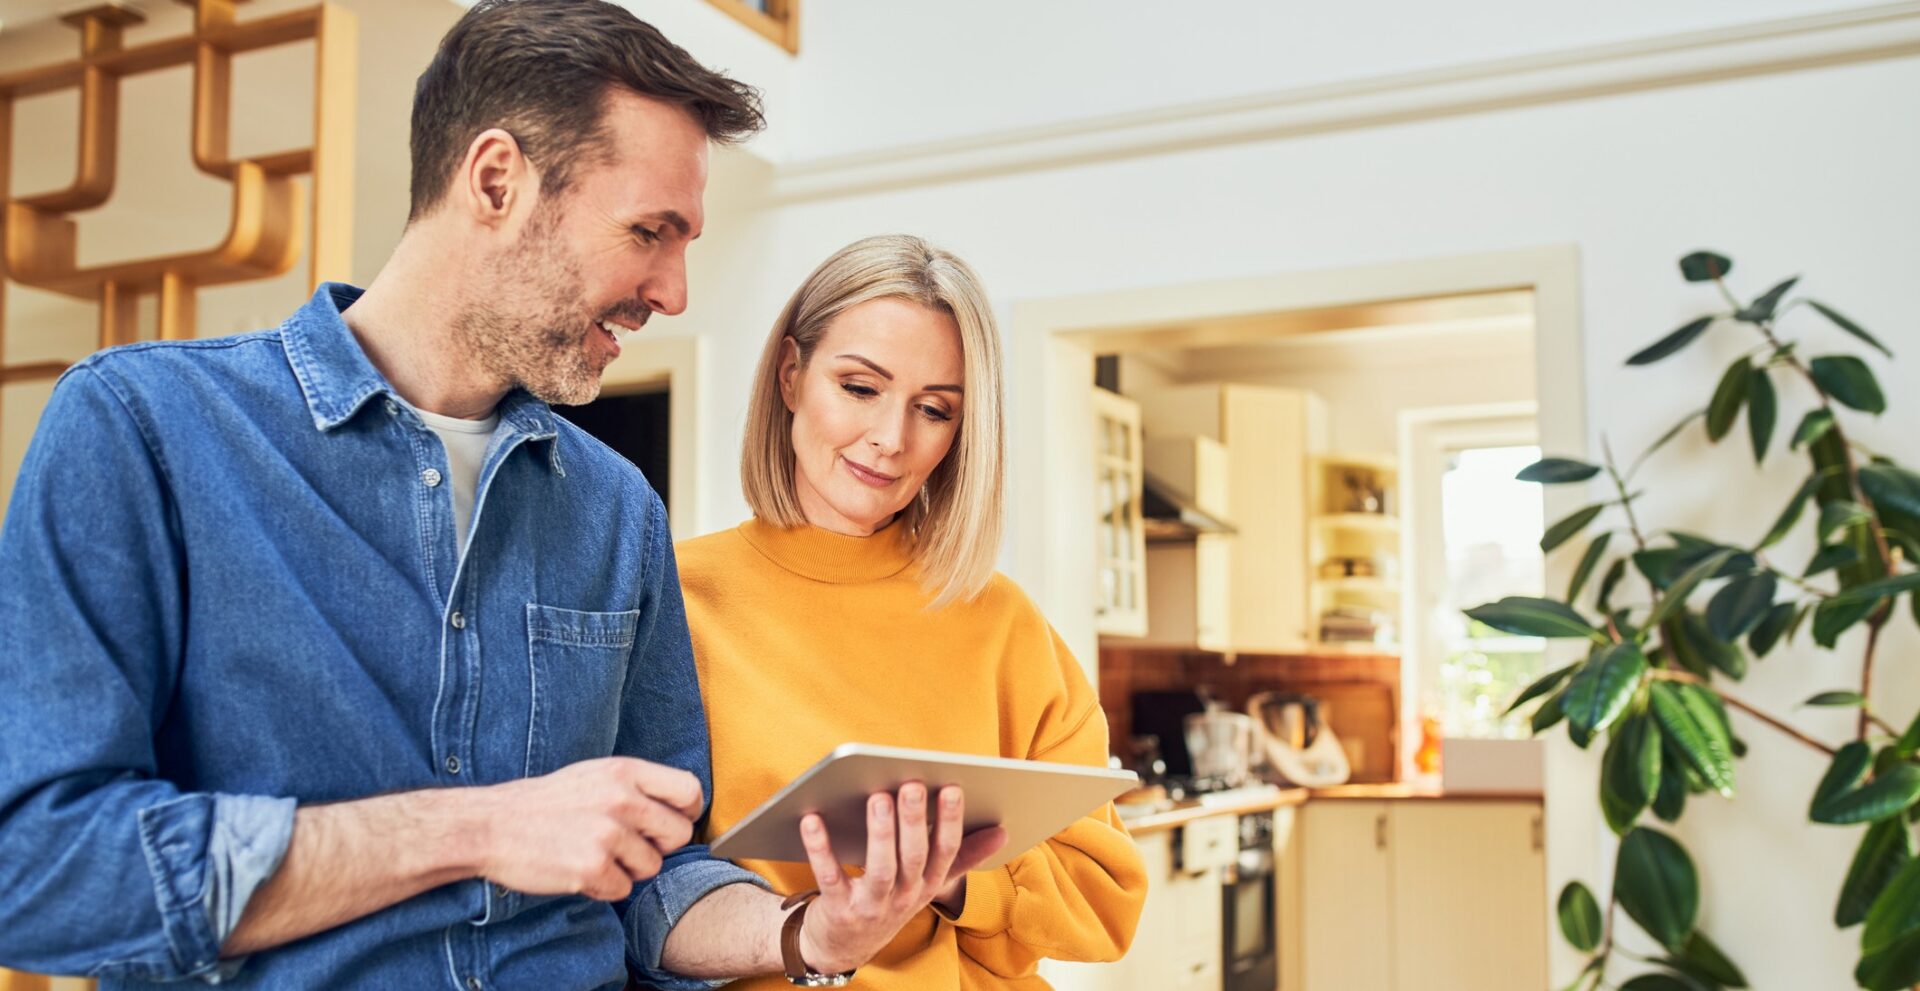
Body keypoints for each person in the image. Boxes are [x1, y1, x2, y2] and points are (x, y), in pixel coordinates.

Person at [0, 2, 768, 988]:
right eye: (651, 231)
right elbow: (36, 872)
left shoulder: (620, 508)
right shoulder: (141, 426)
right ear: (498, 180)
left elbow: (657, 862)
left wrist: (803, 934)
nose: (673, 292)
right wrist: (477, 827)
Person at [647, 235, 1148, 989]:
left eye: (934, 409)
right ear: (791, 375)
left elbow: (1105, 899)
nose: (890, 438)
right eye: (858, 387)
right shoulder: (676, 599)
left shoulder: (1003, 624)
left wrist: (947, 876)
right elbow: (635, 896)